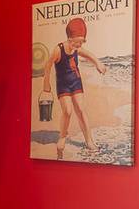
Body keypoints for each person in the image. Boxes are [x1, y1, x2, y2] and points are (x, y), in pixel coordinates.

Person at [41, 17, 106, 159]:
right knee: (68, 111)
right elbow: (48, 65)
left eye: (81, 43)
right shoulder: (58, 49)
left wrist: (98, 63)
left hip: (76, 81)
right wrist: (46, 83)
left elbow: (89, 55)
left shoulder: (77, 47)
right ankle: (62, 136)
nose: (78, 46)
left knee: (81, 110)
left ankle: (89, 141)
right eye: (76, 42)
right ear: (69, 38)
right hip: (63, 84)